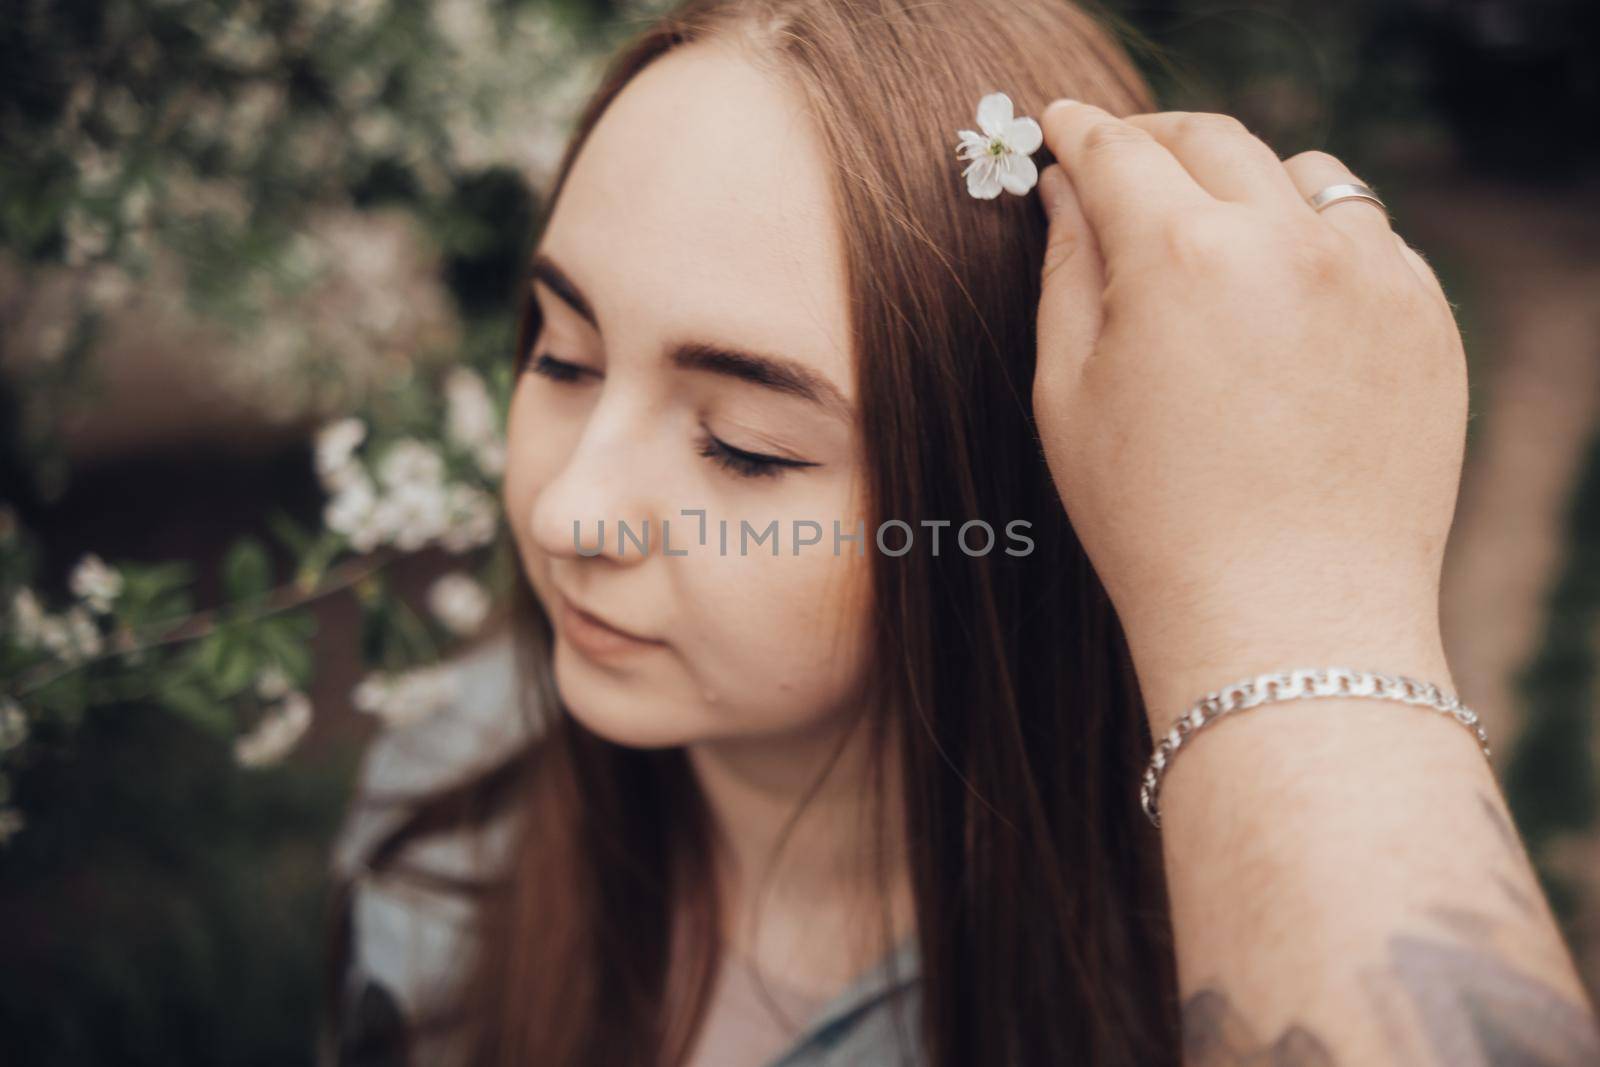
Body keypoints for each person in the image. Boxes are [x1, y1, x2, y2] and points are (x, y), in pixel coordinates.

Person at [322, 0, 1600, 1064]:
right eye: (562, 356)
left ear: (1015, 490)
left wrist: (1298, 603)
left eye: (745, 445)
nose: (563, 510)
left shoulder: (1186, 978)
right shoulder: (454, 803)